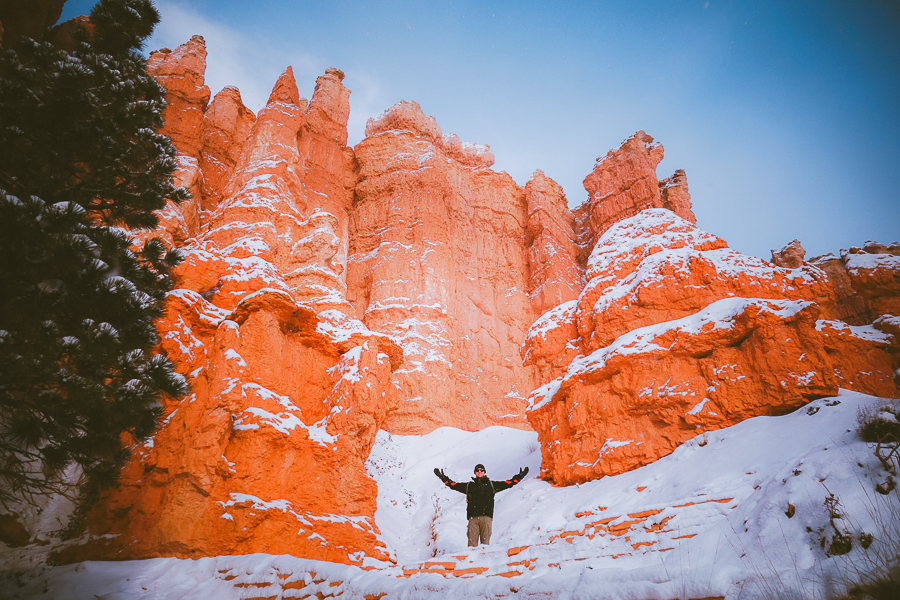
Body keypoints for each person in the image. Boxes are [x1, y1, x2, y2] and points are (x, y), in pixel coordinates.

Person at [434, 463, 528, 547]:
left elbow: (509, 483)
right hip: (473, 518)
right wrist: (442, 477)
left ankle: (484, 565)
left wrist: (520, 476)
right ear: (475, 472)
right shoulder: (469, 486)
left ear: (484, 472)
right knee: (472, 546)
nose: (480, 472)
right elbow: (453, 485)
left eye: (481, 470)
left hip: (486, 518)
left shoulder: (491, 485)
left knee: (485, 546)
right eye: (477, 470)